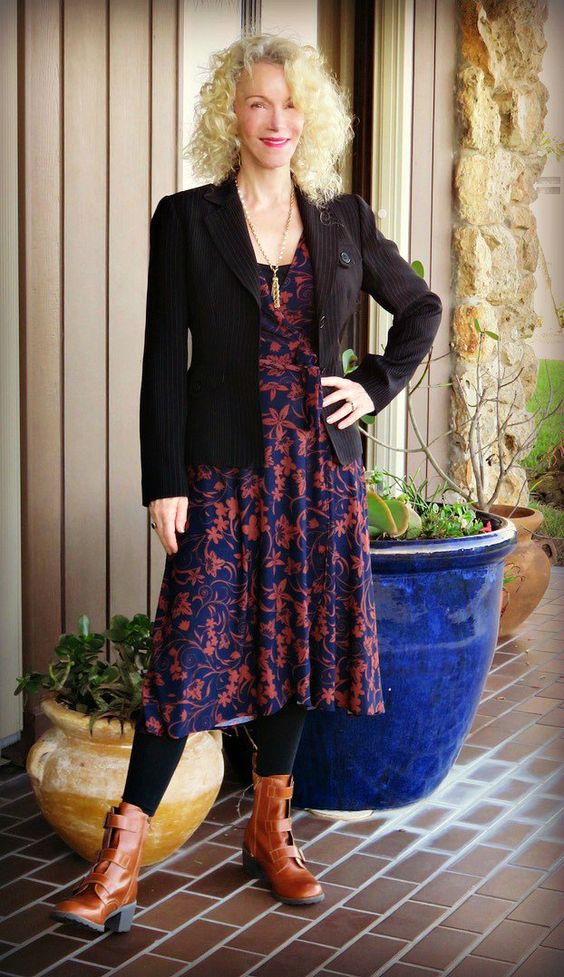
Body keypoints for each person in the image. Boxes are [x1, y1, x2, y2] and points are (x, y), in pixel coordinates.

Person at [52, 32, 442, 935]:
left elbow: (420, 308)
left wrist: (373, 384)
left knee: (298, 644)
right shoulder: (186, 219)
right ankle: (121, 860)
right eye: (258, 101)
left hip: (317, 475)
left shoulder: (342, 218)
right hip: (221, 474)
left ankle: (270, 828)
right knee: (185, 653)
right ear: (229, 113)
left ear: (313, 116)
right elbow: (163, 359)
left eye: (291, 102)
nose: (276, 120)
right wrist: (163, 479)